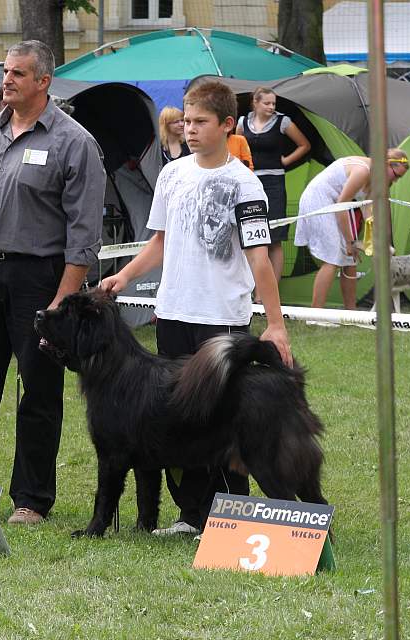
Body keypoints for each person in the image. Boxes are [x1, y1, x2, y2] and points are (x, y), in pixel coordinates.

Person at [100, 80, 292, 536]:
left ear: (228, 125)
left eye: (201, 122)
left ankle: (233, 518)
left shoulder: (245, 184)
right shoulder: (172, 175)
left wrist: (276, 325)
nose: (190, 129)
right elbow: (160, 242)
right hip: (173, 314)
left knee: (226, 422)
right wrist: (124, 276)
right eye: (186, 121)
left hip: (222, 319)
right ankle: (191, 515)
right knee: (175, 420)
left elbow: (259, 259)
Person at [0, 40, 106, 525]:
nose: (6, 80)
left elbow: (83, 235)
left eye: (17, 74)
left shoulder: (75, 143)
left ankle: (31, 499)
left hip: (42, 277)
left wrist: (62, 301)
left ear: (43, 82)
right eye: (6, 72)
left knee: (39, 390)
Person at [295, 150, 410, 309]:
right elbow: (342, 205)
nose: (396, 180)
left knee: (351, 259)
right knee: (332, 258)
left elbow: (367, 209)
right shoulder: (363, 171)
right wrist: (350, 241)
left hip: (336, 205)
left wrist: (372, 238)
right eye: (396, 175)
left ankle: (351, 312)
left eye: (399, 178)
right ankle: (315, 315)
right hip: (318, 201)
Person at [237, 87, 311, 284]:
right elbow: (236, 147)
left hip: (274, 183)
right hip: (250, 183)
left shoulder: (283, 121)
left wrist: (286, 161)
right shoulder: (242, 123)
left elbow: (304, 145)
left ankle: (273, 290)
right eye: (267, 103)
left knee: (275, 238)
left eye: (273, 104)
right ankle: (253, 288)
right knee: (252, 236)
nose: (271, 107)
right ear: (255, 102)